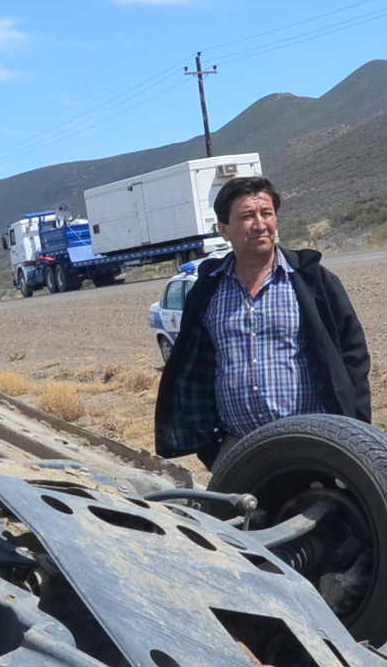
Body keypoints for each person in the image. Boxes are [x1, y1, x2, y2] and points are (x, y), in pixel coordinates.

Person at [154, 174, 371, 465]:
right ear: (224, 229)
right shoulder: (207, 290)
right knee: (235, 512)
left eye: (266, 213)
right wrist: (211, 448)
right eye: (247, 216)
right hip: (236, 450)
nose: (260, 224)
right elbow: (195, 367)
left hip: (313, 444)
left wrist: (355, 430)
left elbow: (353, 356)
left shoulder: (312, 280)